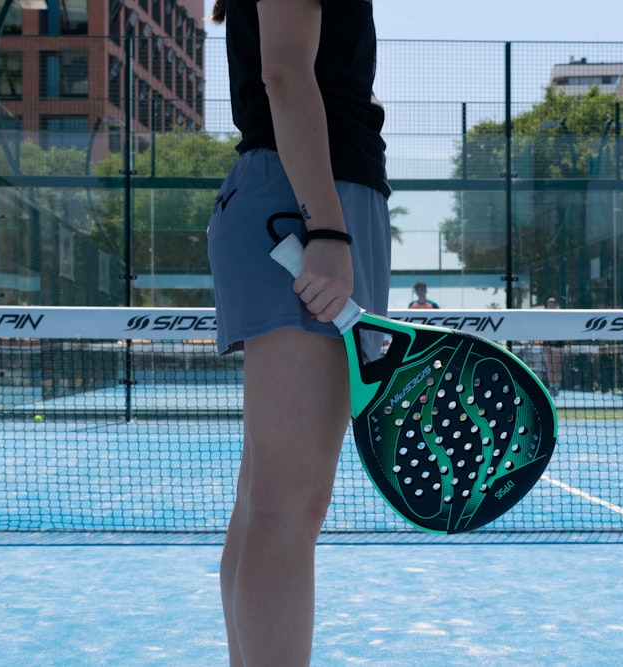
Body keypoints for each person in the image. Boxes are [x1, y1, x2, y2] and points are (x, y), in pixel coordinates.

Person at [206, 1, 391, 665]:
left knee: (268, 499)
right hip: (305, 202)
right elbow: (284, 71)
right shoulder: (320, 208)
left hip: (306, 195)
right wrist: (329, 228)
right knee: (287, 504)